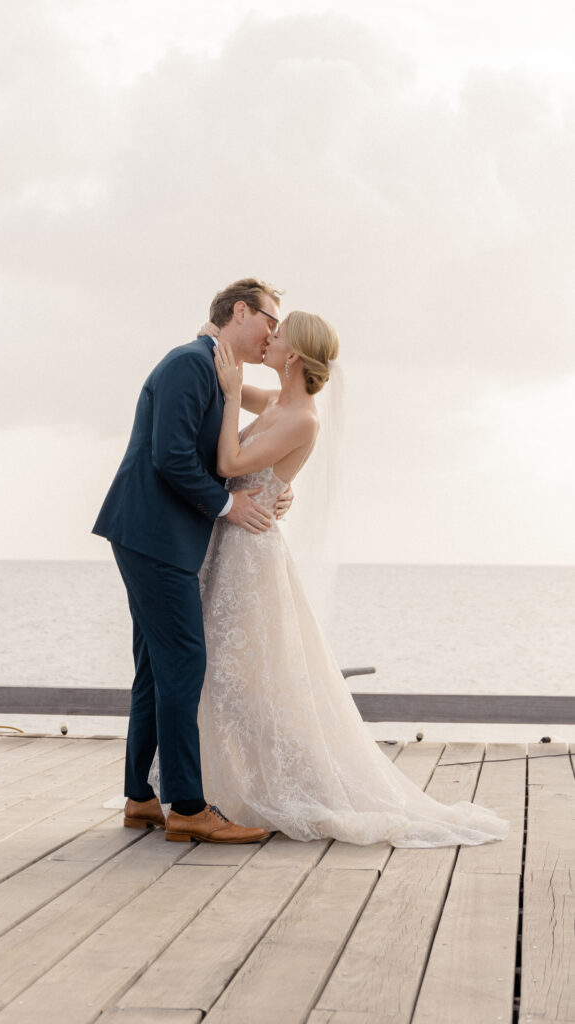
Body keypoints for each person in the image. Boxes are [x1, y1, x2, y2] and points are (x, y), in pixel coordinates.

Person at [194, 312, 510, 847]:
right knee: (220, 671)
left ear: (293, 356)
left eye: (278, 336)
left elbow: (230, 459)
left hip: (252, 555)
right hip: (229, 544)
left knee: (246, 675)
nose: (268, 340)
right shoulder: (274, 403)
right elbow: (227, 380)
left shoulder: (303, 420)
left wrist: (231, 404)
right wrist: (214, 335)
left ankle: (285, 785)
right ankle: (212, 787)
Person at [93, 278, 294, 844]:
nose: (273, 335)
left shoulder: (213, 369)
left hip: (152, 533)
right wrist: (230, 504)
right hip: (153, 534)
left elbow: (247, 433)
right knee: (184, 664)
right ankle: (186, 806)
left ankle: (140, 797)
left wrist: (273, 484)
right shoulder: (190, 363)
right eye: (270, 322)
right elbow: (171, 456)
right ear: (238, 312)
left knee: (156, 669)